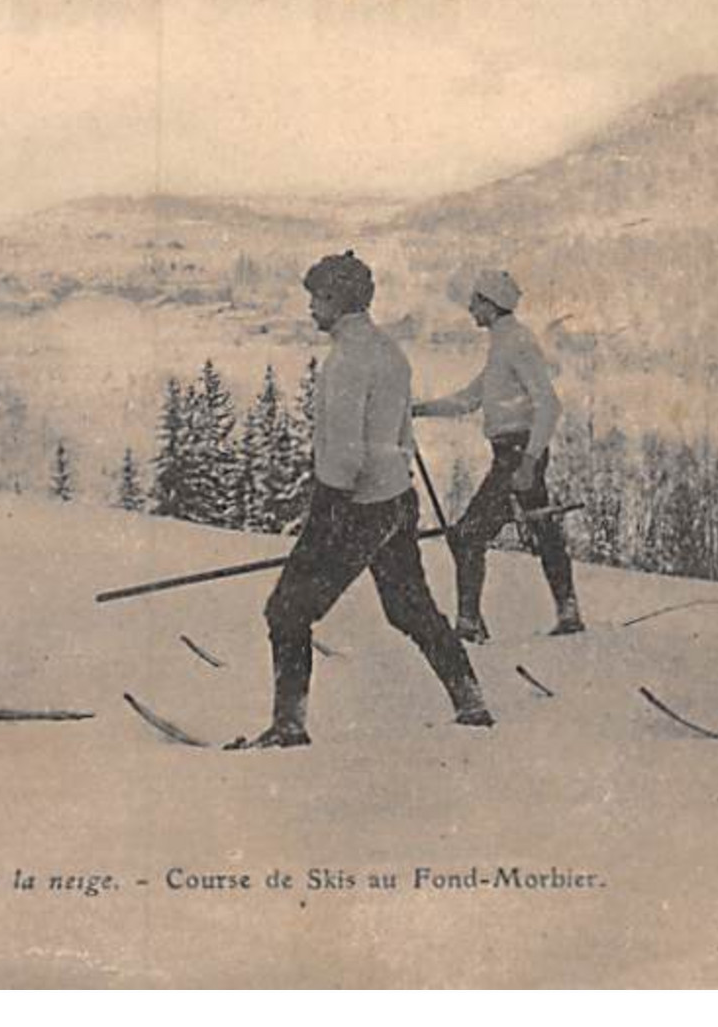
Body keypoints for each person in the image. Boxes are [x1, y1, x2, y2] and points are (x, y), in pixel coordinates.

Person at [230, 251, 493, 750]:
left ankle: (289, 726)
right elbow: (401, 434)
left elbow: (345, 454)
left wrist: (322, 523)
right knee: (409, 609)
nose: (310, 308)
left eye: (316, 298)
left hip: (353, 506)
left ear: (337, 299)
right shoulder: (390, 351)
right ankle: (470, 699)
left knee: (286, 611)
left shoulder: (347, 361)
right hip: (395, 499)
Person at [412, 269, 582, 642]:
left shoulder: (517, 343)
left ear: (491, 304)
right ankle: (568, 611)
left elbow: (549, 406)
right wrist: (418, 409)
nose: (470, 307)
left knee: (468, 535)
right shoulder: (503, 345)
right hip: (513, 453)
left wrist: (528, 461)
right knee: (542, 528)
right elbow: (469, 400)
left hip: (517, 455)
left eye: (476, 301)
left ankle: (469, 625)